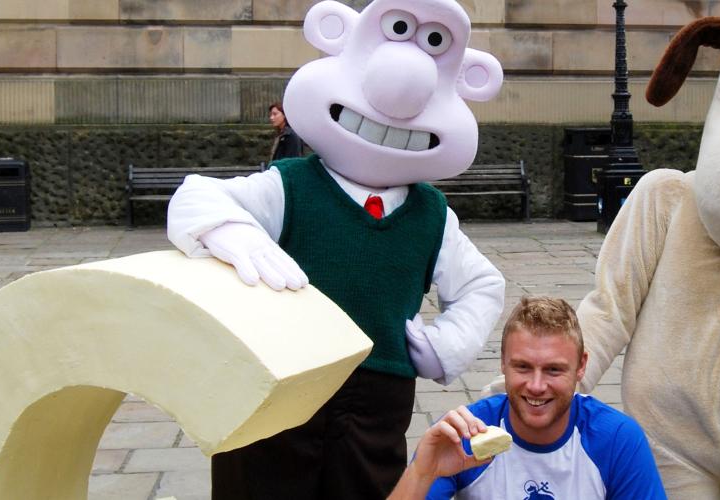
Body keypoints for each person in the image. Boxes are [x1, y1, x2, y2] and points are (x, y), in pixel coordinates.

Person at [166, 0, 507, 498]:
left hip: (377, 396)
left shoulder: (432, 215)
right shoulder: (291, 186)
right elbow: (198, 195)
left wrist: (444, 344)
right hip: (278, 384)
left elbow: (481, 284)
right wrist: (231, 230)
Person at [389, 296, 667, 499]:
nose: (536, 386)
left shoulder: (616, 439)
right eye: (522, 367)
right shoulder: (466, 433)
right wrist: (421, 473)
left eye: (553, 370)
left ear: (581, 366)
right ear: (503, 362)